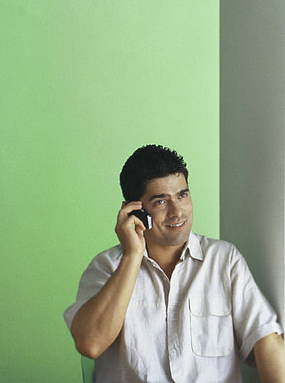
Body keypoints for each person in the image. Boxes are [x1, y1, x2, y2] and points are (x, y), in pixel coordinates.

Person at [64, 145, 285, 382]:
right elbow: (90, 344)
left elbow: (266, 338)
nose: (177, 211)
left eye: (182, 195)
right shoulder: (106, 267)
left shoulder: (224, 260)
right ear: (134, 211)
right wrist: (132, 256)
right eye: (160, 201)